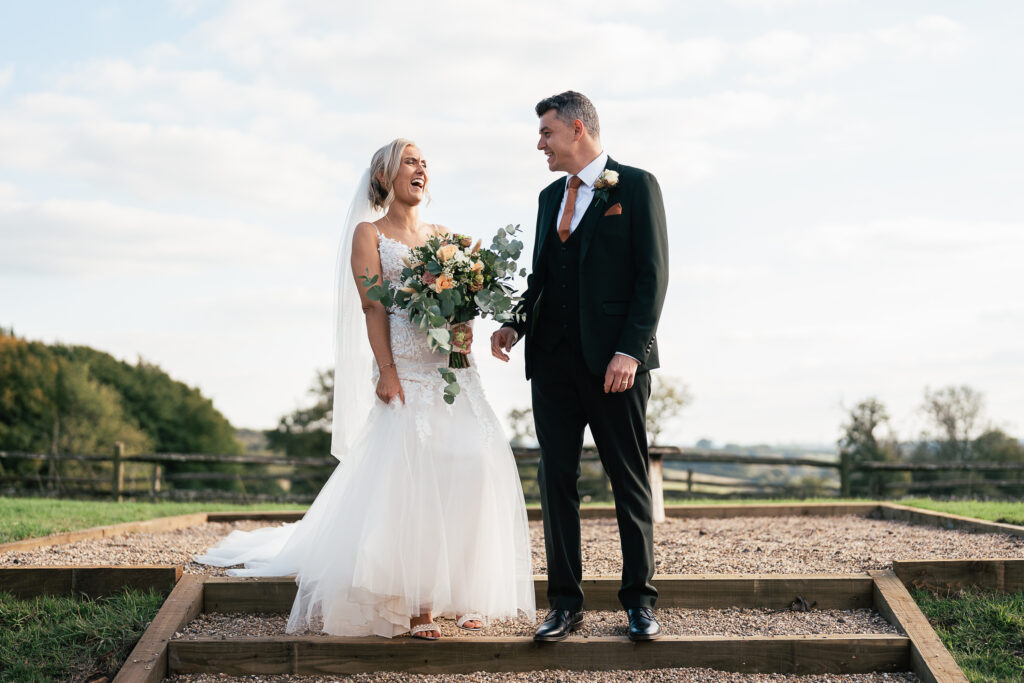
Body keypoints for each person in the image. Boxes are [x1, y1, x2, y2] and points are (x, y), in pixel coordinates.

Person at [194, 139, 535, 640]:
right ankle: (420, 605)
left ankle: (463, 594)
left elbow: (464, 306)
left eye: (425, 164)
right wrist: (386, 370)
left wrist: (463, 331)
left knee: (475, 468)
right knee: (415, 481)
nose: (421, 170)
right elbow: (374, 307)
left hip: (453, 370)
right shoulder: (369, 234)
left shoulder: (449, 239)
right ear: (385, 177)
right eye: (410, 162)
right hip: (406, 370)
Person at [491, 92, 669, 642]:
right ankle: (564, 604)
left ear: (576, 128)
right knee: (555, 482)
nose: (539, 143)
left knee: (628, 478)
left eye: (546, 132)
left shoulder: (635, 185)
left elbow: (652, 277)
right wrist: (515, 324)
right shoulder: (550, 197)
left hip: (615, 364)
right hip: (552, 364)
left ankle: (639, 602)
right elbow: (542, 277)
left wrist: (630, 352)